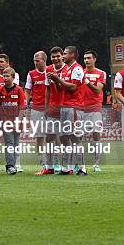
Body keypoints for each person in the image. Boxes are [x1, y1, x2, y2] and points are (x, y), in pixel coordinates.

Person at [48, 46, 85, 175]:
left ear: (73, 55)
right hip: (64, 106)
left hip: (74, 106)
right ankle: (66, 167)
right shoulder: (65, 70)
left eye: (65, 53)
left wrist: (58, 79)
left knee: (75, 137)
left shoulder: (77, 68)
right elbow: (61, 90)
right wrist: (55, 81)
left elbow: (74, 87)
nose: (63, 56)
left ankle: (81, 168)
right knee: (64, 138)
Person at [0, 67, 27, 175]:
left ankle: (15, 164)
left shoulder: (19, 90)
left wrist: (19, 121)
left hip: (16, 121)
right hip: (6, 122)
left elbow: (22, 107)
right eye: (4, 76)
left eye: (7, 76)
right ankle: (10, 166)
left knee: (16, 144)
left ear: (13, 77)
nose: (5, 78)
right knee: (9, 143)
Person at [0, 53, 20, 173]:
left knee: (13, 141)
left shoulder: (15, 77)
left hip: (12, 117)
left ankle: (15, 164)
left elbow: (17, 97)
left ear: (7, 63)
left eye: (1, 61)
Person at [81, 50, 107, 172]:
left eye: (89, 58)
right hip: (81, 108)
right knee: (79, 136)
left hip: (95, 107)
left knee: (96, 134)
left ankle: (96, 164)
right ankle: (81, 164)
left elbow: (97, 90)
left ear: (94, 59)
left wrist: (87, 82)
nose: (86, 60)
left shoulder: (101, 73)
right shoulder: (80, 72)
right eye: (85, 58)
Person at [26, 51, 50, 175]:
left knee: (54, 137)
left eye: (38, 61)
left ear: (44, 60)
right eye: (34, 61)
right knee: (39, 137)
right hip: (36, 109)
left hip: (51, 110)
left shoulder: (51, 72)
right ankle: (43, 164)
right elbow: (28, 90)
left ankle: (55, 164)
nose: (35, 63)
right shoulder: (31, 74)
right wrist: (26, 103)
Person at [44, 47, 67, 174]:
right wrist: (46, 107)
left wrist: (57, 80)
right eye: (53, 57)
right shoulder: (48, 69)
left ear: (62, 56)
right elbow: (47, 89)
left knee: (65, 137)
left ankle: (65, 165)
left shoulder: (68, 69)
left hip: (66, 107)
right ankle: (50, 166)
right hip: (53, 107)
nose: (55, 59)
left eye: (58, 56)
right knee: (49, 137)